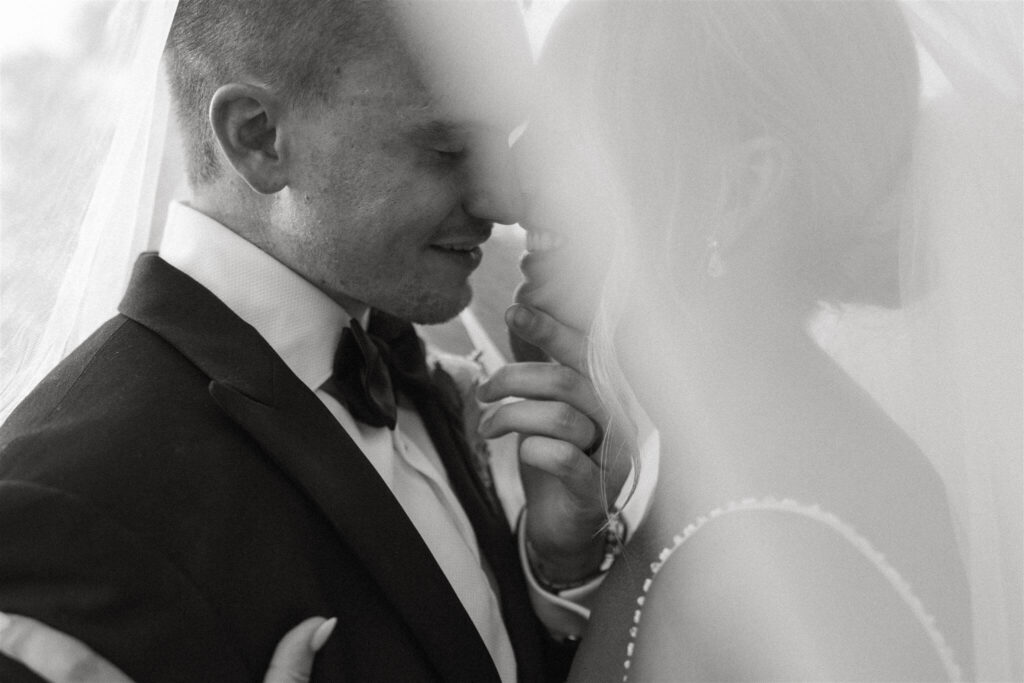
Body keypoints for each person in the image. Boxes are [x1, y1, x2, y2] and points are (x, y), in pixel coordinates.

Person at [0, 1, 627, 680]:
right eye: (448, 147)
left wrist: (557, 566)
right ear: (258, 137)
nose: (506, 201)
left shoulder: (406, 359)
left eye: (505, 142)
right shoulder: (66, 506)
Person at [483, 0, 1020, 680]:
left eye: (569, 127)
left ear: (739, 190)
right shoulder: (781, 474)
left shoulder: (765, 563)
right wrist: (569, 563)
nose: (511, 179)